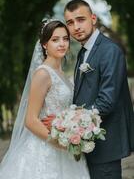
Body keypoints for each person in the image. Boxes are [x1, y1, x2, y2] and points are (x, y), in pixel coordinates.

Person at [0, 20, 90, 179]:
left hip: (66, 144)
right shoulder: (43, 74)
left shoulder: (62, 74)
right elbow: (30, 120)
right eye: (55, 40)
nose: (62, 44)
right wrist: (59, 142)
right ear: (44, 44)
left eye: (65, 39)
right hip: (46, 148)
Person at [63, 0, 134, 179]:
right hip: (90, 143)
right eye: (70, 22)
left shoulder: (110, 51)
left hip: (106, 145)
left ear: (93, 18)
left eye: (81, 19)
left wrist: (72, 124)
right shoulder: (84, 51)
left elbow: (106, 101)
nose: (76, 26)